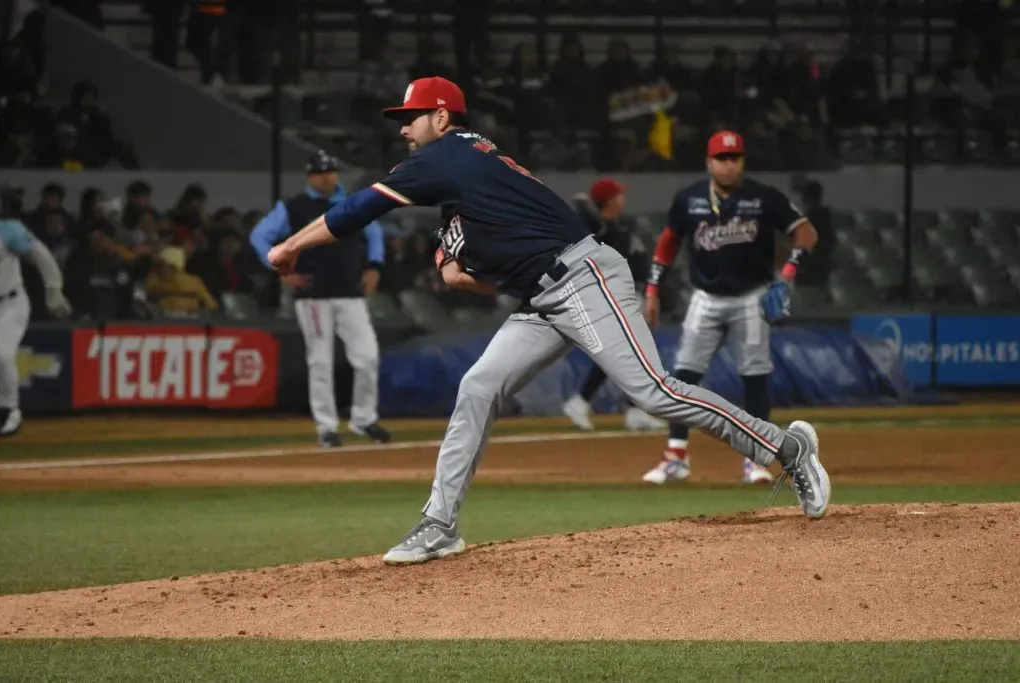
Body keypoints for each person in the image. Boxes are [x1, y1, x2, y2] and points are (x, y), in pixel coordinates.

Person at [265, 77, 831, 565]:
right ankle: (439, 524)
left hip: (584, 277)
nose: (403, 129)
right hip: (541, 297)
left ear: (442, 117)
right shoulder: (465, 171)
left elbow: (359, 208)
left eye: (411, 117)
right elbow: (461, 268)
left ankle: (785, 449)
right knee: (479, 384)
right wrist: (460, 258)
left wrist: (291, 246)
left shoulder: (445, 155)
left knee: (654, 392)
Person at [641, 131, 820, 486]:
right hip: (705, 297)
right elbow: (668, 243)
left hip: (752, 296)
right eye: (721, 158)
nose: (728, 164)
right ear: (708, 162)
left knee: (755, 374)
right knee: (683, 375)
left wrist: (788, 272)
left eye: (734, 157)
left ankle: (757, 458)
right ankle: (676, 456)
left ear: (743, 161)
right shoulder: (689, 199)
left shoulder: (763, 197)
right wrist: (652, 289)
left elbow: (806, 233)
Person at [250, 150, 391, 448]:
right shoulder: (294, 207)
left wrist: (375, 265)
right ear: (309, 176)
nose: (325, 176)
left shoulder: (352, 202)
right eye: (319, 172)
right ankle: (326, 427)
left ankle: (364, 419)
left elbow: (375, 233)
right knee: (320, 361)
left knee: (367, 357)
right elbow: (259, 237)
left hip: (351, 292)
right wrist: (279, 269)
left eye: (329, 171)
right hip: (313, 295)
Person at [561, 177, 665, 432]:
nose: (623, 199)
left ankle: (631, 409)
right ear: (609, 201)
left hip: (633, 294)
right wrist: (584, 205)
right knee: (626, 354)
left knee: (632, 355)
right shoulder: (600, 229)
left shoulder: (618, 226)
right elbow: (589, 222)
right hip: (616, 297)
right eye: (618, 195)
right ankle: (583, 401)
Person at [0, 185, 71, 437]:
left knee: (1, 354)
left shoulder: (8, 229)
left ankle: (9, 411)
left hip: (9, 303)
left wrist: (54, 291)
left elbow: (42, 257)